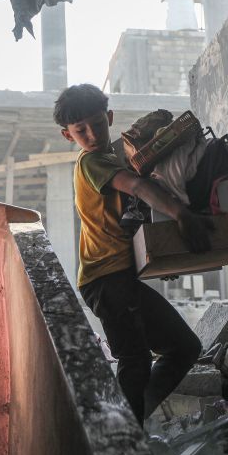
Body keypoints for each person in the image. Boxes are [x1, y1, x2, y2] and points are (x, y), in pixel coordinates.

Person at [53, 83, 213, 425]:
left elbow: (130, 223)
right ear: (69, 136)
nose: (92, 134)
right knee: (135, 361)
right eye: (81, 130)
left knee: (183, 348)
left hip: (121, 277)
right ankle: (124, 438)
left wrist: (158, 261)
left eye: (98, 124)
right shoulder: (91, 162)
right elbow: (139, 187)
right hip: (105, 280)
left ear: (109, 118)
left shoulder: (113, 157)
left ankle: (136, 423)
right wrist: (182, 215)